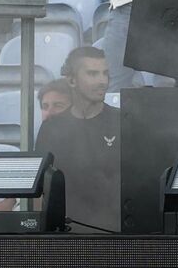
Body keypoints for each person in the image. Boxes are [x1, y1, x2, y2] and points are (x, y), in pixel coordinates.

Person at [35, 46, 119, 233]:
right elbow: (39, 191)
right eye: (92, 73)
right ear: (72, 80)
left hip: (115, 237)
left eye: (105, 74)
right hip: (64, 238)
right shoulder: (51, 128)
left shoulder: (122, 123)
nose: (102, 81)